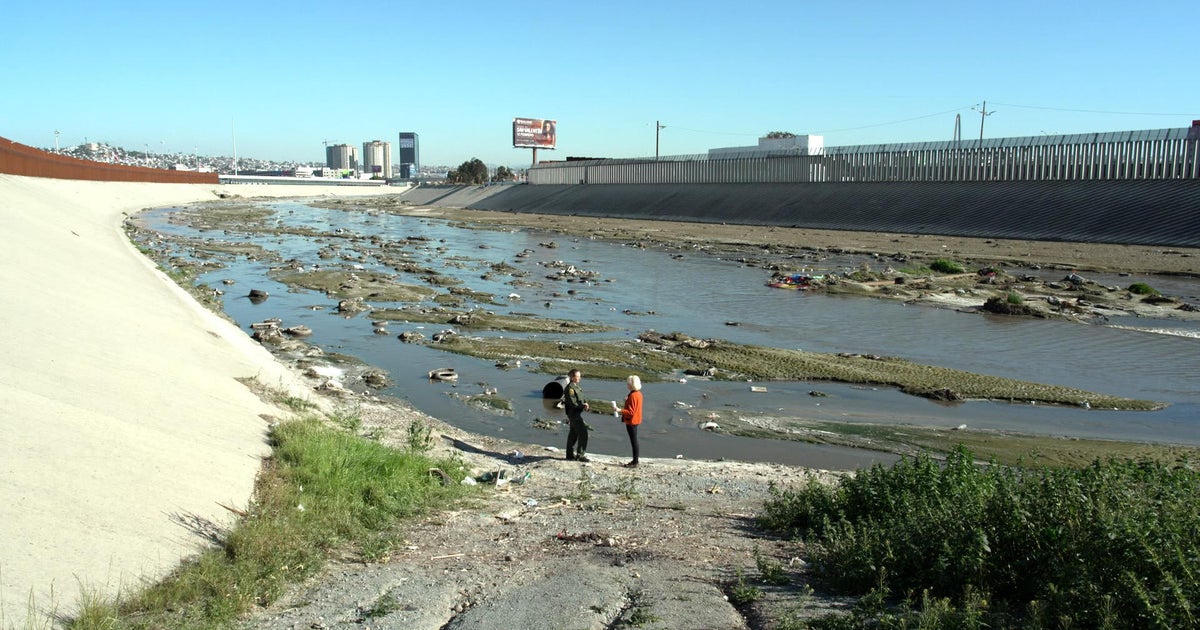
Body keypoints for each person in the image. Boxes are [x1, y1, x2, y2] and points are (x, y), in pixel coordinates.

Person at [563, 368, 590, 462]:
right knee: (583, 433)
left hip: (576, 413)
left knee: (573, 434)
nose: (579, 378)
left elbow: (582, 398)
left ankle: (569, 455)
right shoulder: (570, 389)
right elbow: (572, 403)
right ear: (572, 377)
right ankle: (580, 455)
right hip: (573, 414)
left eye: (579, 376)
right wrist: (583, 406)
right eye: (577, 376)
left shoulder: (576, 387)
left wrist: (585, 404)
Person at [615, 374, 643, 467]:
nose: (627, 384)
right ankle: (635, 461)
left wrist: (619, 410)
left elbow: (631, 412)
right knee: (634, 440)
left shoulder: (633, 395)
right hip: (636, 420)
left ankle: (635, 462)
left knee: (634, 441)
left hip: (632, 421)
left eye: (628, 383)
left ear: (631, 384)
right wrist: (626, 400)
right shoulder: (638, 393)